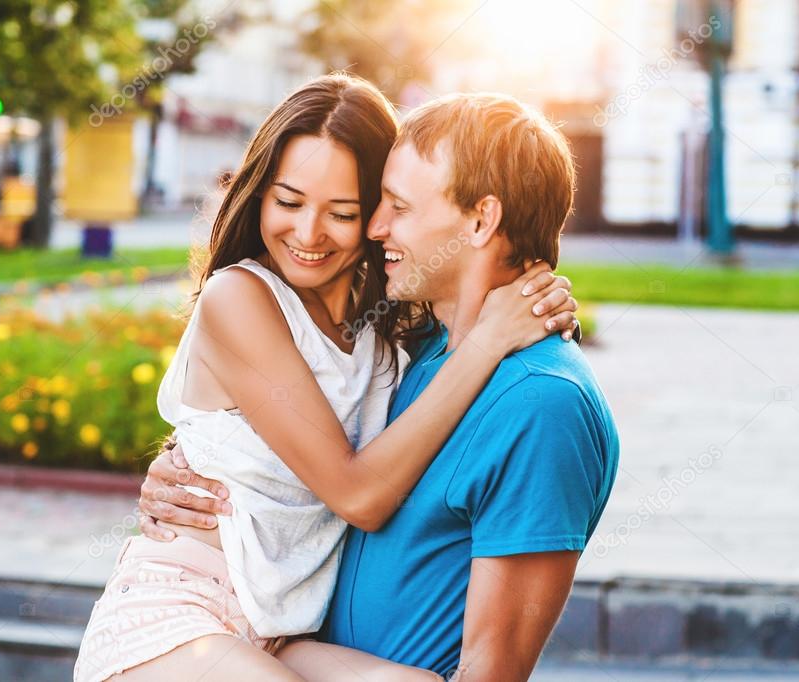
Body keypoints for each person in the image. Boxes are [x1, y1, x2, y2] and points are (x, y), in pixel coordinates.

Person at [75, 75, 578, 682]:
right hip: (181, 615)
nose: (308, 234)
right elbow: (357, 494)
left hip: (279, 633)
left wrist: (533, 297)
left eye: (343, 213)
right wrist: (491, 340)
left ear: (374, 216)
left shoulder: (389, 320)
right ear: (259, 195)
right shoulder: (240, 297)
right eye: (288, 203)